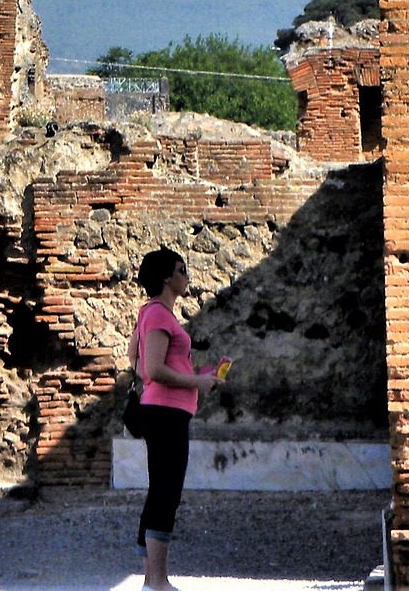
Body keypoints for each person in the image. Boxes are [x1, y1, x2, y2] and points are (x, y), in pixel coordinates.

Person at [128, 247, 222, 591]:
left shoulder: (151, 313)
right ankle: (157, 580)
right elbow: (152, 369)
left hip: (164, 411)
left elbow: (136, 359)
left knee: (160, 490)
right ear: (167, 277)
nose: (187, 276)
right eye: (182, 269)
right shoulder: (158, 314)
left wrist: (199, 376)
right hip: (166, 413)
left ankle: (152, 579)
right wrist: (196, 382)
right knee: (166, 493)